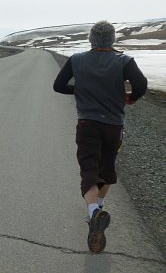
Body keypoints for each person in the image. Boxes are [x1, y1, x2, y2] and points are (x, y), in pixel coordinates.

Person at [53, 20, 147, 253]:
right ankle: (100, 207)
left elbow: (58, 86)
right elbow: (141, 84)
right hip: (114, 125)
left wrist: (79, 89)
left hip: (87, 124)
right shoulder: (124, 61)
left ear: (91, 39)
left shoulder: (77, 60)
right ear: (112, 39)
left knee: (88, 169)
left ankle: (94, 211)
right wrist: (132, 97)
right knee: (106, 167)